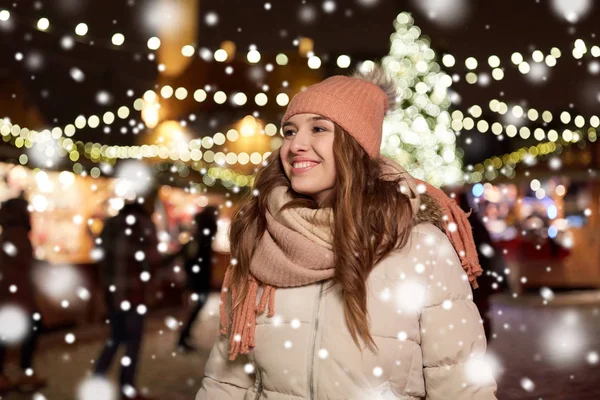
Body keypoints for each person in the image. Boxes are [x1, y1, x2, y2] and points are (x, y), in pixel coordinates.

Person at [196, 65, 498, 399]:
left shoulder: (420, 247)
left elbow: (461, 385)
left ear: (355, 145)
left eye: (319, 129)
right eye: (290, 131)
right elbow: (226, 382)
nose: (297, 144)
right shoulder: (263, 240)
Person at [93, 194, 160, 400]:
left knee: (115, 336)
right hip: (134, 292)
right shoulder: (145, 225)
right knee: (133, 341)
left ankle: (97, 380)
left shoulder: (111, 223)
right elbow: (152, 260)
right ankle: (126, 387)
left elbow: (100, 255)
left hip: (113, 292)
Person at [0, 194, 47, 395]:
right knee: (30, 330)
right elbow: (24, 265)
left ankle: (14, 374)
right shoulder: (17, 236)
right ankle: (21, 373)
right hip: (17, 296)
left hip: (11, 295)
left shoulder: (8, 235)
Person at [176, 206, 219, 352]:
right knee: (194, 307)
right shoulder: (202, 239)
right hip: (198, 278)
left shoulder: (198, 237)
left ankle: (185, 335)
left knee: (194, 307)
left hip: (196, 278)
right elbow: (193, 258)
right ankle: (183, 336)